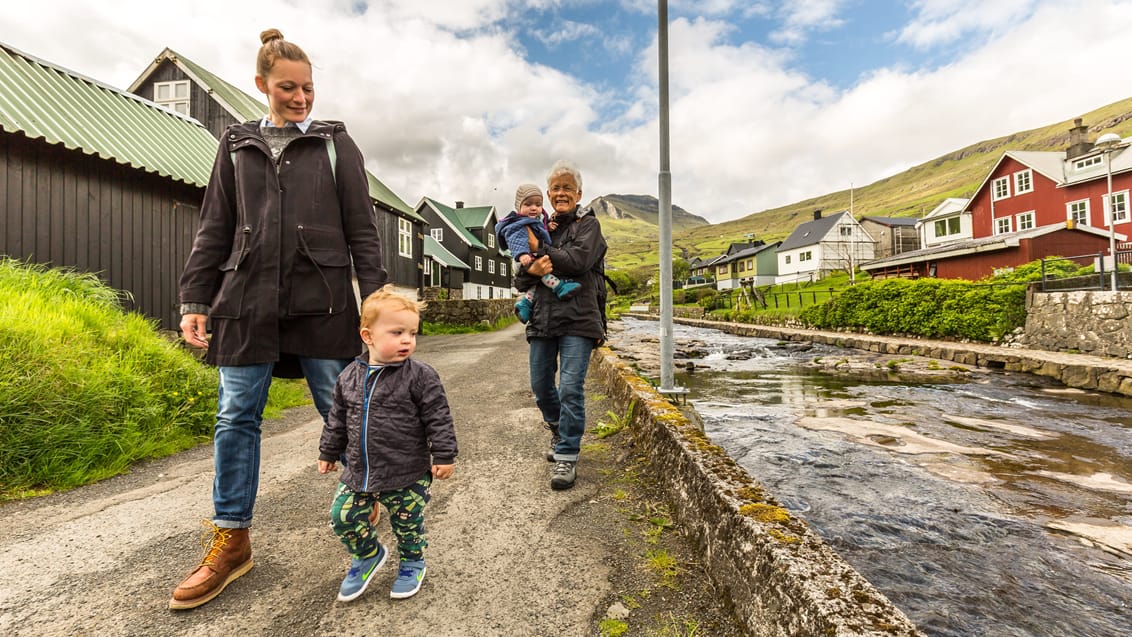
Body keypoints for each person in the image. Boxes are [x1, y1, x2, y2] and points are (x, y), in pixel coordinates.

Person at [170, 28, 387, 610]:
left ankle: (366, 519)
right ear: (261, 84)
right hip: (245, 303)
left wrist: (378, 306)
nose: (300, 98)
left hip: (323, 304)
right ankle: (232, 539)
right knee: (235, 417)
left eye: (308, 88)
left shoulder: (337, 145)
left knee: (341, 410)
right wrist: (196, 299)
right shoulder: (236, 145)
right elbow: (214, 225)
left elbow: (363, 230)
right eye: (288, 87)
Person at [317, 287, 457, 601]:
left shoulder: (420, 376)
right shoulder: (349, 377)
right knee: (343, 515)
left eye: (412, 332)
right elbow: (337, 419)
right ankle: (368, 554)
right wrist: (327, 451)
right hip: (360, 471)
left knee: (407, 523)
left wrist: (444, 453)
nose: (407, 340)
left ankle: (412, 561)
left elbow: (438, 417)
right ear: (368, 336)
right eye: (397, 332)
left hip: (407, 470)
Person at [515, 160, 608, 490]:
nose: (560, 193)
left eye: (567, 187)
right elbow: (519, 275)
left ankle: (567, 454)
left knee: (570, 388)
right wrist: (533, 268)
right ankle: (558, 429)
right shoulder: (540, 225)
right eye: (555, 188)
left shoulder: (589, 226)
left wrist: (542, 252)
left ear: (579, 193)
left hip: (580, 320)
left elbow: (580, 261)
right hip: (542, 318)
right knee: (541, 387)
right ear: (549, 193)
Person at [494, 183, 580, 323]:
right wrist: (522, 254)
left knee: (536, 282)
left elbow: (539, 233)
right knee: (543, 273)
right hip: (523, 258)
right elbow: (516, 240)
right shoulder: (517, 224)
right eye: (528, 204)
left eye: (538, 204)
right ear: (519, 207)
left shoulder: (536, 219)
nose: (534, 208)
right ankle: (559, 287)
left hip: (530, 256)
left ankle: (525, 303)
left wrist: (548, 227)